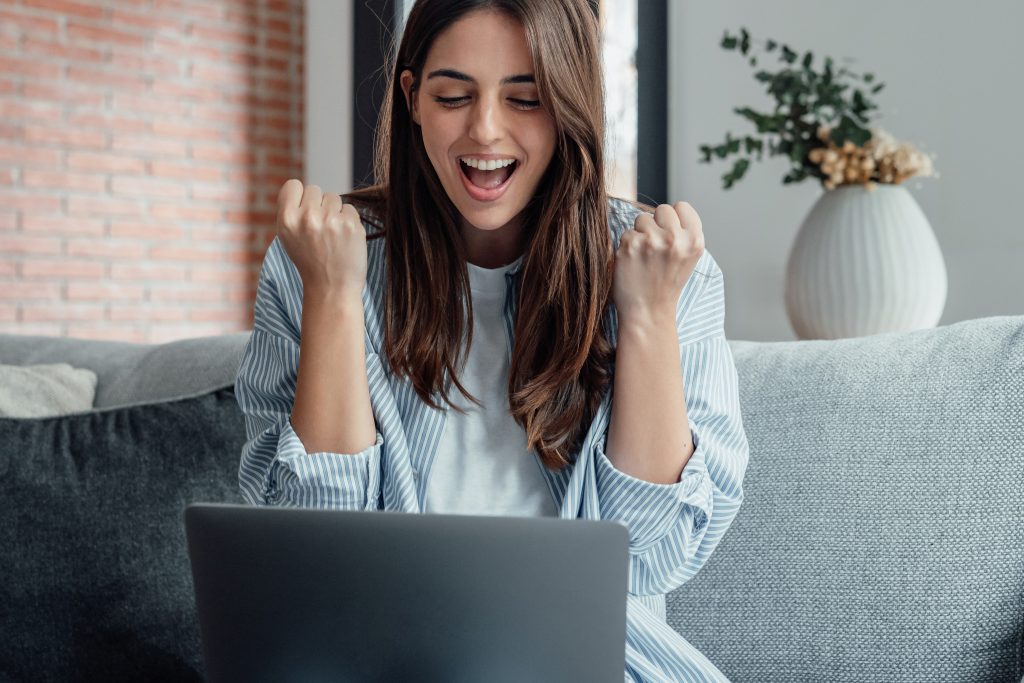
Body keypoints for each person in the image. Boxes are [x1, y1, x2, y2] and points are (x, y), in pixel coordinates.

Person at [234, 0, 750, 680]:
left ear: (570, 103)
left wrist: (647, 315)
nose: (485, 130)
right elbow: (311, 555)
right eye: (453, 95)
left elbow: (651, 556)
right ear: (414, 99)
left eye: (526, 98)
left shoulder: (664, 268)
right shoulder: (316, 261)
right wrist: (334, 296)